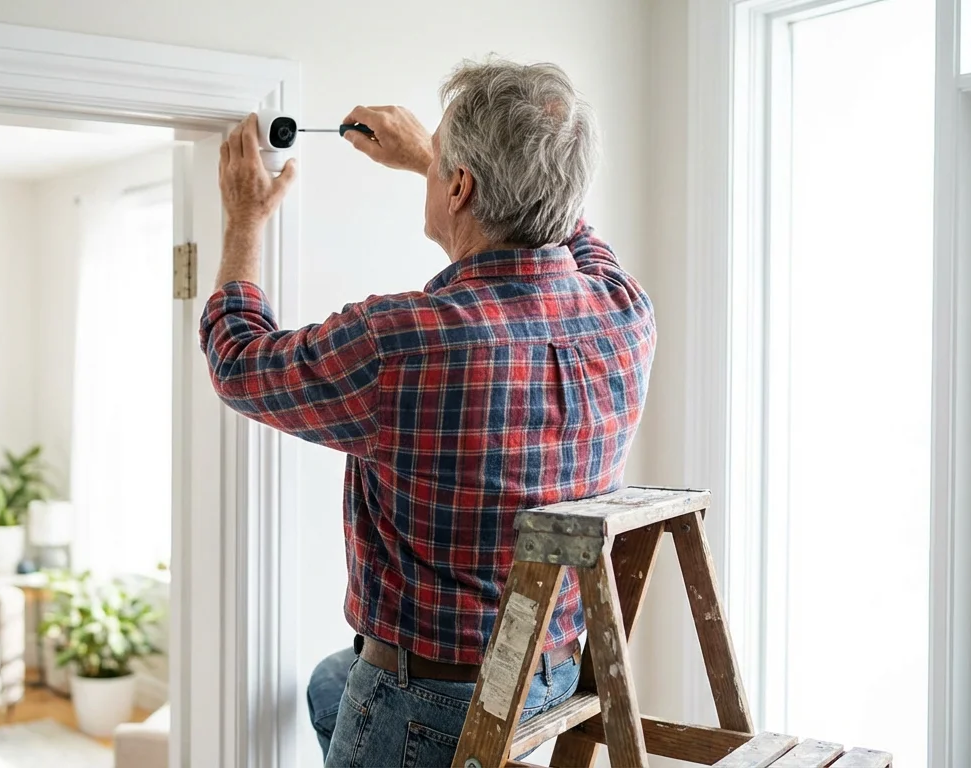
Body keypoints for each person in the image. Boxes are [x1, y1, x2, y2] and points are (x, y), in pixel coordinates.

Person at [201, 58, 655, 767]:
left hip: (435, 697)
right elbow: (565, 222)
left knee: (353, 690)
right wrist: (432, 163)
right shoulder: (624, 310)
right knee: (330, 684)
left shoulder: (403, 342)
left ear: (462, 186)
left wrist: (243, 221)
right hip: (553, 668)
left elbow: (237, 363)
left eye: (441, 157)